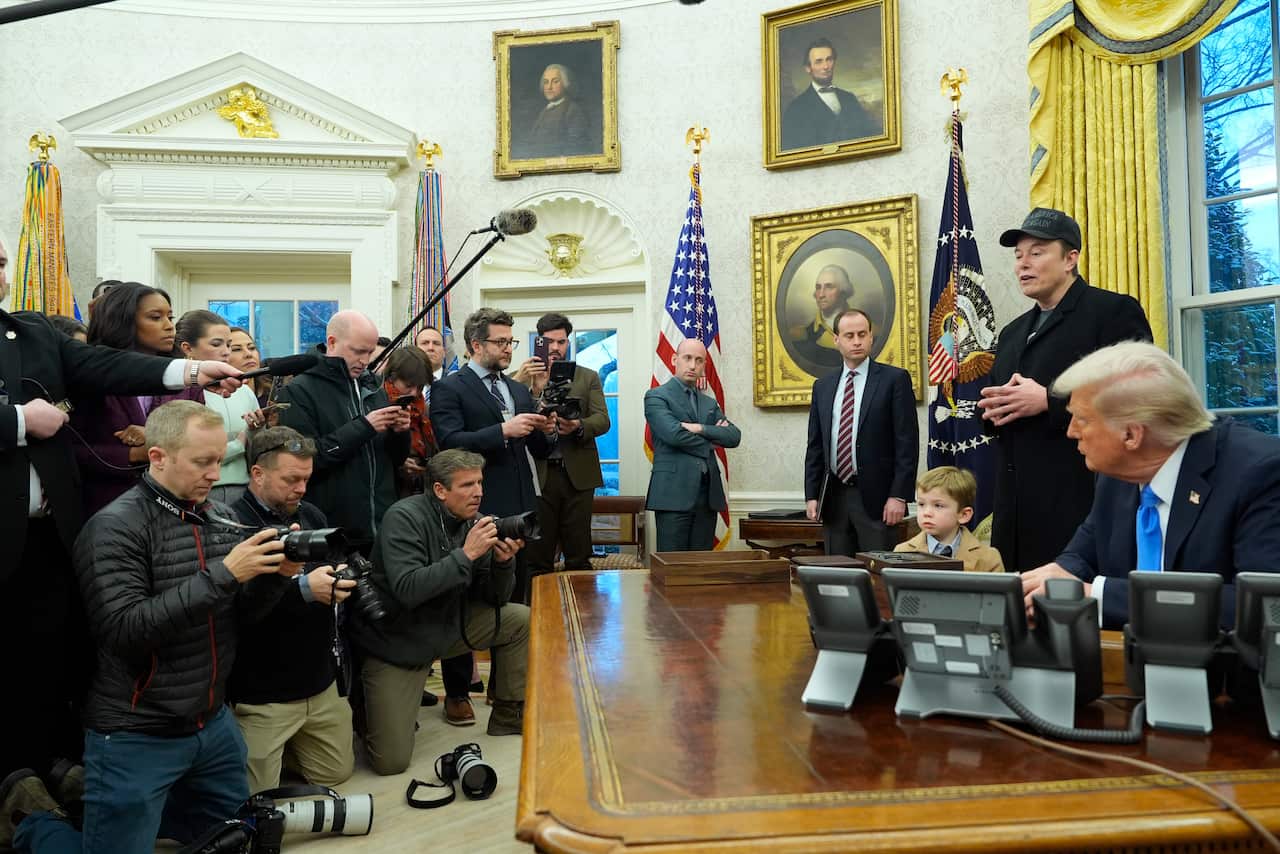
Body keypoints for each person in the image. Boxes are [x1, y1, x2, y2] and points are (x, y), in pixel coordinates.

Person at [0, 235, 243, 833]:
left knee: (53, 658)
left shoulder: (27, 335)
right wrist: (14, 421)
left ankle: (42, 772)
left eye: (1, 260)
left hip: (50, 537)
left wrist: (190, 368)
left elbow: (101, 362)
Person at [1, 401, 294, 853]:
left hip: (211, 724)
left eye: (219, 460)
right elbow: (124, 630)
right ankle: (31, 821)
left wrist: (277, 577)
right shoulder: (114, 528)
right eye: (202, 462)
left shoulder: (215, 515)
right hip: (136, 731)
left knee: (230, 840)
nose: (215, 474)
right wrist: (225, 574)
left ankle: (85, 796)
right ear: (157, 457)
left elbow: (239, 617)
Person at [1021, 342, 1280, 629]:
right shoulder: (1117, 474)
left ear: (1131, 435)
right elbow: (1083, 555)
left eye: (1081, 419)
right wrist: (1051, 577)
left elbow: (1262, 607)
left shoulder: (1260, 473)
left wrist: (1096, 596)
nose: (1071, 431)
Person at [978, 207, 1152, 571]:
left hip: (1078, 506)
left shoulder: (1112, 312)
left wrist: (1047, 400)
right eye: (1018, 255)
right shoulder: (1012, 333)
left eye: (1037, 253)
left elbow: (1138, 392)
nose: (1023, 264)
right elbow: (999, 405)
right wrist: (992, 411)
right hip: (1015, 515)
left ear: (1070, 258)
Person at [349, 450, 532, 775]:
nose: (478, 492)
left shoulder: (474, 522)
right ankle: (365, 704)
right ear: (439, 490)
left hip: (446, 627)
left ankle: (508, 713)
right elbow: (409, 589)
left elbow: (495, 598)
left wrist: (504, 564)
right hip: (397, 641)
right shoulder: (403, 517)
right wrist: (467, 554)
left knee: (520, 619)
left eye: (479, 482)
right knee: (390, 762)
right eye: (467, 485)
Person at [228, 427, 357, 794]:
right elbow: (241, 610)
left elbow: (335, 563)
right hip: (264, 693)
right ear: (257, 473)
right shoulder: (233, 524)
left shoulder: (310, 513)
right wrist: (303, 590)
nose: (301, 488)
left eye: (306, 478)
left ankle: (290, 749)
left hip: (318, 682)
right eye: (291, 480)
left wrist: (339, 580)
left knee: (336, 774)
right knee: (256, 797)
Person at [430, 307, 551, 607]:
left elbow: (539, 450)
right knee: (473, 600)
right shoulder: (449, 388)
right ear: (475, 345)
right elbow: (449, 443)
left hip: (522, 509)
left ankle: (515, 655)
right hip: (478, 507)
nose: (508, 349)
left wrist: (547, 430)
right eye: (500, 342)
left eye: (511, 342)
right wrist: (503, 431)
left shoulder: (516, 389)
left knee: (516, 598)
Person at [278, 310, 411, 547]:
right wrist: (364, 427)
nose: (366, 361)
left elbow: (396, 460)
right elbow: (304, 458)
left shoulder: (372, 386)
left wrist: (400, 432)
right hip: (331, 529)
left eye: (370, 352)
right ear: (332, 342)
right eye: (358, 351)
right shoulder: (299, 390)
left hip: (381, 526)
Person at [71, 282, 204, 518]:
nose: (168, 326)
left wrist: (155, 435)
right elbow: (72, 452)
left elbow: (201, 438)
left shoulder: (184, 376)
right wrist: (134, 454)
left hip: (175, 507)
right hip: (109, 508)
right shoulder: (89, 376)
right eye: (155, 317)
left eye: (170, 317)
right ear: (123, 321)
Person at [803, 309, 917, 555]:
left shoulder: (894, 379)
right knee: (839, 577)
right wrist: (812, 495)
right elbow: (815, 447)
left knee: (879, 577)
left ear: (871, 337)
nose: (857, 341)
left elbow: (907, 443)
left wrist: (899, 496)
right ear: (836, 339)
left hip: (879, 500)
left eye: (862, 334)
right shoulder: (822, 387)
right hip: (834, 498)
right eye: (849, 335)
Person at [513, 313, 610, 574]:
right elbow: (508, 418)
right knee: (538, 555)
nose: (556, 348)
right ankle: (540, 614)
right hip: (538, 476)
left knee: (579, 555)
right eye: (549, 342)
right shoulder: (520, 377)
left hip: (578, 474)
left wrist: (578, 426)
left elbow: (602, 420)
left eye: (561, 342)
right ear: (538, 342)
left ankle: (582, 613)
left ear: (568, 343)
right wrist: (530, 387)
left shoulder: (586, 377)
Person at [644, 338, 741, 551]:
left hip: (707, 496)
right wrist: (713, 439)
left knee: (700, 569)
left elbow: (733, 436)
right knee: (673, 568)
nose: (692, 365)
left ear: (704, 365)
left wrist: (700, 428)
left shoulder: (709, 402)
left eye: (699, 360)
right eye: (687, 358)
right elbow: (673, 435)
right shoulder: (656, 397)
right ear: (674, 359)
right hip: (673, 494)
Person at [177, 310, 265, 504]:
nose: (225, 351)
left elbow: (256, 449)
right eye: (217, 344)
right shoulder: (181, 392)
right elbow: (186, 453)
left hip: (244, 490)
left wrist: (255, 432)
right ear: (187, 348)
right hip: (196, 493)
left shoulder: (243, 391)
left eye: (228, 345)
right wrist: (237, 445)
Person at [894, 466, 1004, 572]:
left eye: (938, 506)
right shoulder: (902, 552)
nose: (927, 513)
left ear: (964, 515)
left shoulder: (988, 558)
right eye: (921, 504)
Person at [780, 38, 880, 151]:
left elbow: (869, 134)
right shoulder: (796, 108)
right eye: (819, 61)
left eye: (829, 59)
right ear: (808, 68)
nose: (826, 66)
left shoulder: (849, 98)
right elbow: (791, 150)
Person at [381, 346, 434, 497]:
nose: (414, 393)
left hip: (419, 489)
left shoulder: (424, 408)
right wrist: (398, 463)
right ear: (391, 377)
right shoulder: (377, 404)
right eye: (408, 386)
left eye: (420, 387)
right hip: (390, 491)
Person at [790, 264, 855, 370]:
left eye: (829, 287)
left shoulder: (869, 334)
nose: (821, 294)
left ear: (843, 291)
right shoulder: (799, 337)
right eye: (818, 287)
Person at [521, 62, 591, 159]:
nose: (549, 87)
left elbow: (577, 147)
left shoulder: (572, 110)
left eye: (555, 81)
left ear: (565, 84)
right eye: (546, 82)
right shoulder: (545, 110)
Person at [227, 327, 272, 407]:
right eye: (237, 349)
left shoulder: (275, 393)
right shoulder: (217, 399)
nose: (249, 354)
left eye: (252, 348)